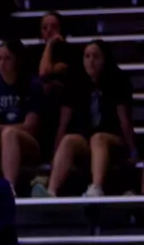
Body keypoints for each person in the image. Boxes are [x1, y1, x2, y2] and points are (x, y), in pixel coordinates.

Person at [47, 40, 138, 199]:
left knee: (98, 138)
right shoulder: (75, 81)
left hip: (112, 139)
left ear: (105, 59)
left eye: (96, 56)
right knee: (69, 139)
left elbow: (124, 120)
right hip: (85, 139)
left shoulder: (118, 80)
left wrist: (132, 149)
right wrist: (55, 153)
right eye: (87, 56)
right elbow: (64, 122)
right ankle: (51, 191)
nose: (91, 61)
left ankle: (96, 187)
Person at [0, 37, 42, 190]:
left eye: (7, 59)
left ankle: (9, 188)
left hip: (27, 143)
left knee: (9, 133)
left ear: (18, 60)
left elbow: (30, 127)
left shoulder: (32, 86)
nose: (2, 63)